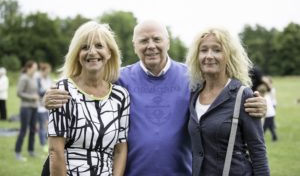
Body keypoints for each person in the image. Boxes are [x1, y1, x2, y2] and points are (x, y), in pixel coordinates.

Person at [44, 20, 267, 176]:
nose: (151, 46)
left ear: (167, 42)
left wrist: (257, 103)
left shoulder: (192, 78)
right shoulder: (119, 80)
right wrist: (51, 96)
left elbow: (219, 95)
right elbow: (87, 84)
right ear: (135, 46)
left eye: (156, 39)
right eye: (143, 41)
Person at [42, 21, 130, 176]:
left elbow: (120, 150)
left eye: (99, 46)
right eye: (84, 47)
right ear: (77, 54)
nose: (92, 52)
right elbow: (55, 150)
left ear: (109, 53)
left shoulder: (120, 96)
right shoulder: (64, 90)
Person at [186, 27, 270, 175]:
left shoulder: (242, 95)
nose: (209, 56)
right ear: (196, 56)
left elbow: (258, 152)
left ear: (229, 56)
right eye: (204, 50)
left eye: (217, 50)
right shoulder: (193, 94)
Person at [15, 60, 39, 161]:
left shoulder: (34, 78)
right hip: (25, 108)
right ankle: (17, 152)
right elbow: (19, 93)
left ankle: (31, 150)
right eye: (34, 68)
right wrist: (31, 97)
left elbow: (35, 91)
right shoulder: (23, 78)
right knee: (23, 130)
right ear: (29, 68)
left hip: (34, 107)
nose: (36, 70)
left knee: (33, 130)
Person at [36, 63, 53, 152]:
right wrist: (47, 90)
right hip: (40, 107)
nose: (48, 72)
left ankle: (47, 142)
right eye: (47, 71)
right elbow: (39, 92)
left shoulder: (48, 79)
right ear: (43, 70)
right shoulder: (38, 79)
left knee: (48, 125)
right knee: (42, 126)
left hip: (48, 107)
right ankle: (43, 144)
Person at [260, 76, 278, 141]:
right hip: (271, 114)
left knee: (264, 128)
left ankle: (260, 139)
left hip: (269, 115)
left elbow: (266, 108)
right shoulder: (267, 96)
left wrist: (263, 116)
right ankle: (275, 137)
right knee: (270, 126)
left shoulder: (265, 98)